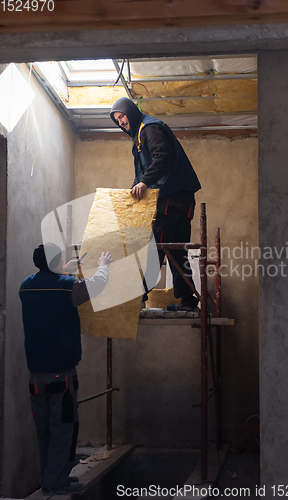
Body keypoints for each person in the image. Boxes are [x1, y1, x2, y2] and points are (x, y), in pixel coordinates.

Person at [19, 243, 112, 496]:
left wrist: (64, 271)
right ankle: (56, 482)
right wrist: (103, 266)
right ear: (56, 262)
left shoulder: (26, 285)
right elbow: (94, 286)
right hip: (61, 372)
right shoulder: (66, 285)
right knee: (62, 428)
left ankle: (52, 476)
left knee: (45, 430)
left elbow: (51, 287)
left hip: (36, 374)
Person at [110, 97, 201, 310]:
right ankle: (188, 301)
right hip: (182, 199)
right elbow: (142, 171)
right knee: (177, 251)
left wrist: (144, 182)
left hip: (169, 198)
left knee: (154, 248)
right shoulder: (141, 134)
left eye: (122, 116)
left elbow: (162, 156)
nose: (121, 122)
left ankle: (137, 298)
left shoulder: (148, 129)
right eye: (117, 120)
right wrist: (135, 189)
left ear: (131, 112)